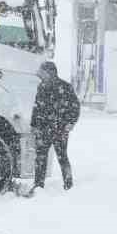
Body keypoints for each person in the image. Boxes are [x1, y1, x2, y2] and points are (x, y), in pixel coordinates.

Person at [31, 61, 80, 190]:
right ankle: (38, 185)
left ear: (50, 73)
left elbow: (75, 107)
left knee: (62, 156)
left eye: (43, 73)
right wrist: (34, 125)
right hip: (43, 129)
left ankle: (68, 184)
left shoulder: (65, 87)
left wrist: (70, 123)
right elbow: (36, 108)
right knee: (40, 157)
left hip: (60, 129)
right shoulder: (41, 86)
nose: (40, 75)